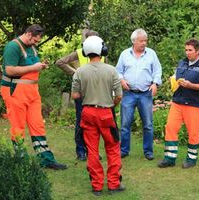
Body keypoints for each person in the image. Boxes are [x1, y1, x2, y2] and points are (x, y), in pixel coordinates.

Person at [0, 24, 67, 170]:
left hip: (32, 92)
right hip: (15, 91)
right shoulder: (13, 47)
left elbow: (29, 66)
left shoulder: (31, 47)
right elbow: (9, 70)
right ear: (29, 34)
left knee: (38, 125)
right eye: (36, 40)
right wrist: (34, 67)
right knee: (18, 127)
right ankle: (20, 161)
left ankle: (46, 160)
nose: (37, 43)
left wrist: (40, 66)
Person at [71, 35, 125, 196]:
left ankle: (97, 186)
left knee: (92, 150)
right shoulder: (111, 70)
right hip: (106, 113)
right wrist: (110, 105)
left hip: (87, 113)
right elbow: (119, 96)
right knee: (113, 148)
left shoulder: (79, 71)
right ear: (101, 51)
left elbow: (75, 95)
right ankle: (114, 184)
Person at [157, 38, 199, 169]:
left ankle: (191, 160)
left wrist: (190, 85)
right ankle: (169, 158)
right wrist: (173, 80)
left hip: (194, 104)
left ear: (197, 51)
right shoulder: (181, 63)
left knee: (193, 132)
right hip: (177, 102)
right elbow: (175, 76)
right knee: (170, 127)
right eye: (186, 50)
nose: (187, 53)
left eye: (190, 50)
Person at [55, 30, 106, 161]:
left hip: (97, 93)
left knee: (95, 124)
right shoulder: (79, 53)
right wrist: (75, 73)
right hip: (83, 93)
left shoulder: (103, 54)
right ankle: (80, 151)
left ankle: (92, 151)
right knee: (81, 122)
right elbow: (59, 62)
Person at [116, 28, 162, 160]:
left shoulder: (151, 54)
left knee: (147, 124)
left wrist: (155, 83)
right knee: (125, 124)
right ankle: (124, 150)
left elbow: (157, 70)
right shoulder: (125, 54)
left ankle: (148, 151)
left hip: (145, 94)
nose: (144, 43)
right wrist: (121, 79)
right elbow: (117, 71)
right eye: (141, 41)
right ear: (134, 41)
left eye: (145, 41)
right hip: (128, 93)